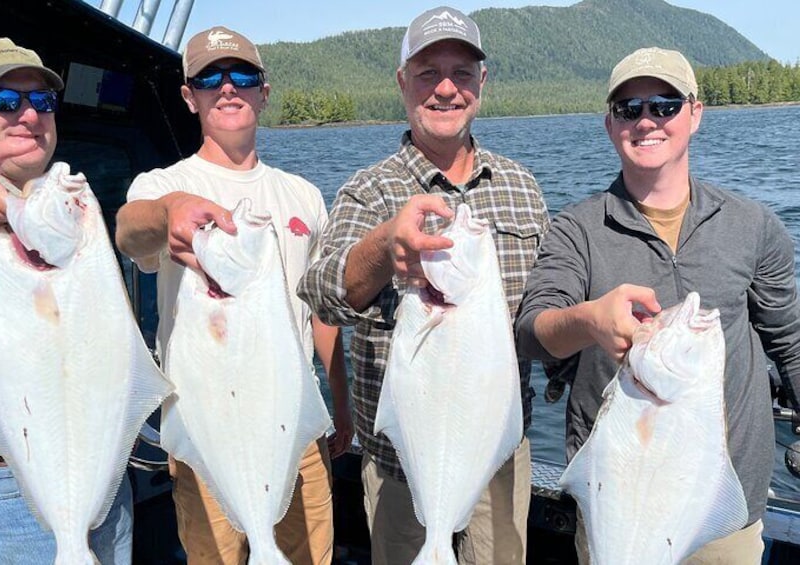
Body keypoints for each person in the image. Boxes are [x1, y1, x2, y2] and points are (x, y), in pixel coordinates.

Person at [516, 46, 800, 564]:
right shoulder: (576, 229)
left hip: (720, 508)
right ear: (610, 124)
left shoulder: (753, 225)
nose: (646, 120)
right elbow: (533, 331)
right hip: (619, 500)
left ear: (695, 114)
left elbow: (790, 341)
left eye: (665, 105)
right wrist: (589, 319)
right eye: (629, 109)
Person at [298, 6, 550, 564]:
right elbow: (319, 291)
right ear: (401, 83)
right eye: (426, 72)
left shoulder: (522, 187)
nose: (445, 89)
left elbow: (546, 305)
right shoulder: (368, 191)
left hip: (498, 452)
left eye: (462, 73)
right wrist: (385, 248)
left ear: (481, 83)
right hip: (400, 461)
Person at [114, 26, 353, 564]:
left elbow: (321, 309)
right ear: (188, 96)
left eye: (242, 76)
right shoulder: (160, 185)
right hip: (207, 421)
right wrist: (168, 214)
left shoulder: (304, 195)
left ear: (263, 92)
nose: (228, 88)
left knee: (311, 555)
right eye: (209, 78)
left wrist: (341, 399)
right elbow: (130, 232)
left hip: (292, 414)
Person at [0, 38, 133, 564]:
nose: (29, 114)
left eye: (43, 102)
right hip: (8, 487)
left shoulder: (67, 207)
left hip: (103, 473)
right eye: (5, 101)